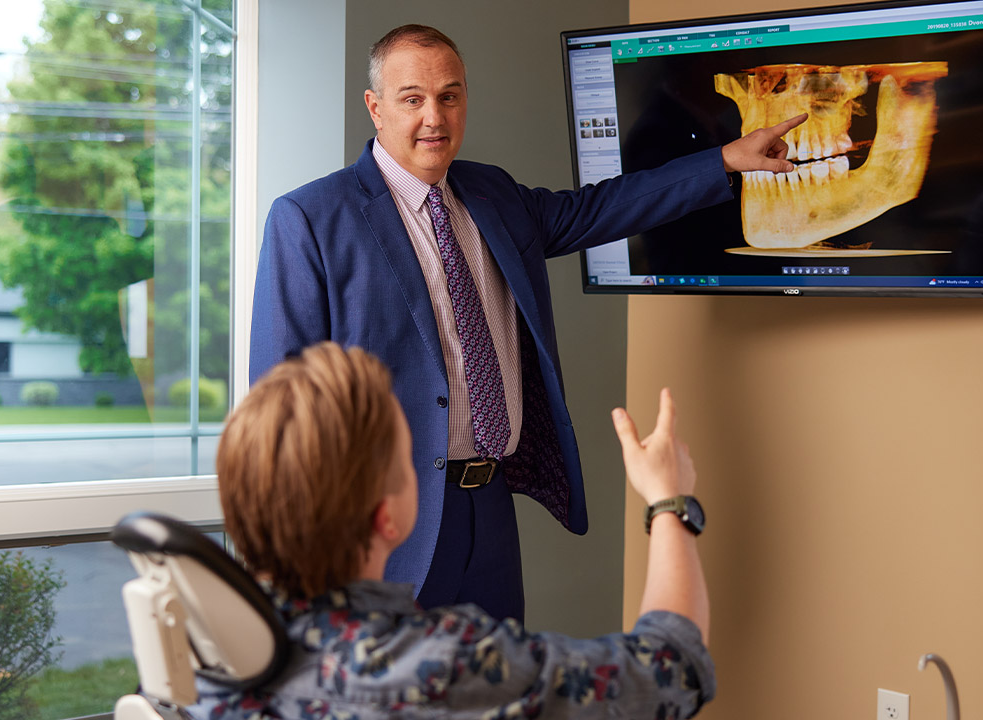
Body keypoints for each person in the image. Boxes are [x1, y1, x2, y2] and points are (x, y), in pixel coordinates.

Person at [249, 23, 804, 622]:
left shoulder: (493, 195)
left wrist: (725, 160)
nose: (434, 117)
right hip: (382, 524)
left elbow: (599, 208)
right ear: (375, 107)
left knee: (498, 697)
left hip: (490, 506)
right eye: (412, 99)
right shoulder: (309, 218)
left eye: (450, 96)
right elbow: (278, 409)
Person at [198, 341, 714, 719]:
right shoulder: (446, 663)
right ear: (387, 517)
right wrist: (668, 500)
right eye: (412, 461)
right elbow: (671, 669)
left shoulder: (208, 667)